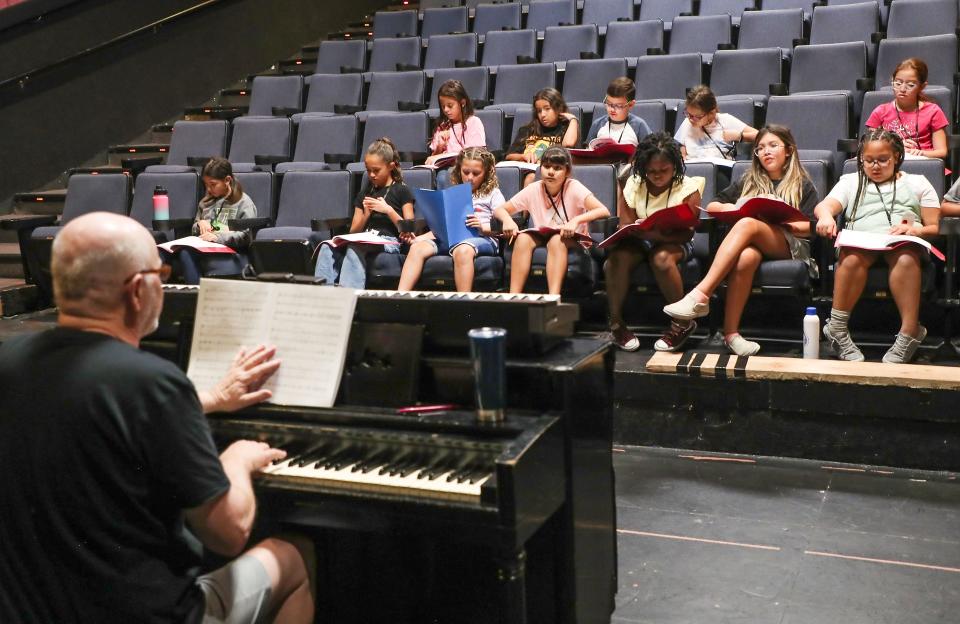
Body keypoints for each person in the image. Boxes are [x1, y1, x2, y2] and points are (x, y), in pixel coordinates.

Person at [0, 212, 313, 623]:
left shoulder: (10, 361)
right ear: (137, 290)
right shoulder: (153, 382)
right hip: (147, 615)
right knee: (294, 556)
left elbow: (93, 411)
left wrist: (214, 397)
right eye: (160, 273)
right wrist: (236, 460)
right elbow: (229, 531)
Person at [664, 125, 819, 356]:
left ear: (788, 150)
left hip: (790, 245)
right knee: (746, 256)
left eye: (773, 146)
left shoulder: (802, 183)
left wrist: (775, 223)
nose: (766, 151)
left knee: (747, 225)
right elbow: (714, 204)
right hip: (755, 242)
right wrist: (734, 206)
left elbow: (811, 227)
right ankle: (731, 334)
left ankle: (701, 294)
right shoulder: (749, 180)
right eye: (760, 148)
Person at [814, 129, 940, 363]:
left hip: (902, 242)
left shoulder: (918, 182)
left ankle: (909, 331)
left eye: (883, 160)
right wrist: (826, 217)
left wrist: (916, 230)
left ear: (897, 157)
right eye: (868, 160)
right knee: (851, 258)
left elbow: (933, 227)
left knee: (906, 258)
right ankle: (837, 330)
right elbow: (826, 206)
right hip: (862, 242)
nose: (875, 166)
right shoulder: (851, 181)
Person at [604, 132, 705, 352]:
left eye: (663, 170)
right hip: (642, 238)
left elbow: (687, 234)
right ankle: (616, 323)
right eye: (651, 171)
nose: (657, 176)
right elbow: (627, 224)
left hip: (675, 240)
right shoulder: (634, 183)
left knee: (661, 258)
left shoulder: (689, 187)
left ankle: (682, 323)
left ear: (675, 166)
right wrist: (636, 228)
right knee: (616, 259)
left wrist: (656, 234)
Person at [495, 146, 611, 294]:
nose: (550, 172)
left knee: (556, 240)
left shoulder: (573, 187)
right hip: (543, 235)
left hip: (571, 239)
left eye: (557, 168)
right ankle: (514, 296)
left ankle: (553, 298)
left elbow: (603, 210)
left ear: (567, 172)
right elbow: (500, 209)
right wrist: (507, 220)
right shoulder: (534, 188)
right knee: (523, 238)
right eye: (546, 166)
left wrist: (576, 221)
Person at [398, 147, 504, 292]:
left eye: (476, 173)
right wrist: (418, 239)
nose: (470, 177)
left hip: (483, 238)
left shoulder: (493, 194)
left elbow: (502, 227)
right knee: (417, 248)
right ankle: (400, 296)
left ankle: (463, 301)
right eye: (465, 172)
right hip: (451, 239)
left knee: (462, 250)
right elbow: (443, 230)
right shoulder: (453, 194)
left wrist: (482, 227)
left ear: (486, 173)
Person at [314, 137, 415, 288]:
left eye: (376, 170)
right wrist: (366, 214)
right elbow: (354, 230)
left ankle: (349, 298)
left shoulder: (402, 190)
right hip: (364, 237)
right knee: (326, 247)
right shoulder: (365, 193)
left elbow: (410, 228)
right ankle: (324, 298)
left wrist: (388, 210)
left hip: (389, 242)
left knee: (356, 247)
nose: (372, 175)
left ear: (391, 166)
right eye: (368, 171)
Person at [172, 157, 257, 284]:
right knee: (172, 254)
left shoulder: (244, 203)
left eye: (213, 184)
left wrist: (217, 238)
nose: (209, 189)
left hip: (231, 251)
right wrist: (199, 224)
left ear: (227, 180)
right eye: (206, 185)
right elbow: (195, 228)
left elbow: (246, 235)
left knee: (185, 255)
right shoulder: (206, 202)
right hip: (204, 249)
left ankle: (196, 297)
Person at [864, 58, 948, 160]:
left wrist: (920, 153)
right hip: (890, 164)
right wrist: (895, 146)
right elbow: (869, 148)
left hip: (924, 162)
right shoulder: (880, 111)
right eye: (898, 83)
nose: (902, 89)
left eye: (910, 85)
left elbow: (942, 152)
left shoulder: (933, 111)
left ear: (922, 86)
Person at [504, 87, 580, 186]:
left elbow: (568, 144)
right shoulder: (527, 130)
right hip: (526, 170)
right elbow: (509, 156)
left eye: (547, 109)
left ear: (558, 108)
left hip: (552, 173)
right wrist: (523, 156)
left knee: (531, 177)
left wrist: (573, 119)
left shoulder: (566, 129)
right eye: (539, 111)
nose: (542, 115)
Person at [674, 85, 758, 162]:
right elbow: (681, 145)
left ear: (711, 113)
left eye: (697, 116)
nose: (690, 119)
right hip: (693, 170)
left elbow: (761, 136)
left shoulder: (725, 120)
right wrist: (683, 155)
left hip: (720, 170)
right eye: (688, 114)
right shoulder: (687, 122)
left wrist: (740, 136)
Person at [425, 79, 486, 166]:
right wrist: (439, 147)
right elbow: (434, 160)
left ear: (462, 103)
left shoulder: (474, 122)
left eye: (450, 106)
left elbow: (476, 154)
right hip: (445, 169)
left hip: (466, 168)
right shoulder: (442, 126)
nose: (446, 110)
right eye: (443, 106)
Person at [585, 77, 652, 147]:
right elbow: (587, 150)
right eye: (609, 103)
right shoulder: (598, 124)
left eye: (618, 106)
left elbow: (650, 152)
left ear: (631, 104)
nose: (612, 109)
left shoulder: (639, 125)